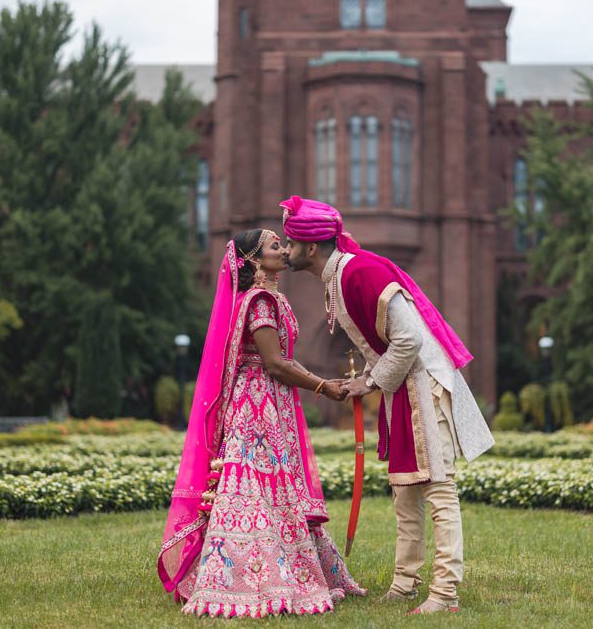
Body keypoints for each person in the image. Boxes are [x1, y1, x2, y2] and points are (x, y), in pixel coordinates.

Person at [281, 196, 493, 615]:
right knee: (405, 491)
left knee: (437, 490)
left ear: (309, 247)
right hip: (403, 387)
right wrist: (374, 383)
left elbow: (410, 338)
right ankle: (404, 583)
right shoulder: (341, 274)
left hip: (423, 383)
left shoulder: (359, 271)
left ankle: (445, 593)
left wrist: (369, 383)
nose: (285, 251)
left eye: (289, 243)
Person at [158, 228, 365, 618]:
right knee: (254, 485)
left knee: (275, 485)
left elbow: (285, 361)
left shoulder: (271, 300)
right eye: (275, 247)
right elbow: (273, 363)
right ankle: (247, 576)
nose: (285, 251)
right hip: (257, 407)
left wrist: (326, 383)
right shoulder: (261, 302)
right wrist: (322, 385)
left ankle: (281, 565)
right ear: (254, 261)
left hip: (273, 402)